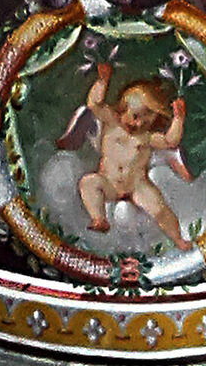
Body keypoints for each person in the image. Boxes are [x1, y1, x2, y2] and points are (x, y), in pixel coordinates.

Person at [75, 60, 191, 246]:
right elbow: (94, 104)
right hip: (109, 184)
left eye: (145, 122)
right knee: (88, 182)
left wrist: (178, 119)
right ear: (123, 107)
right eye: (135, 116)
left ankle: (178, 239)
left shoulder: (146, 137)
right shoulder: (111, 121)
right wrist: (102, 82)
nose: (137, 124)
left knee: (159, 209)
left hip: (136, 186)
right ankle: (99, 218)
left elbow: (170, 141)